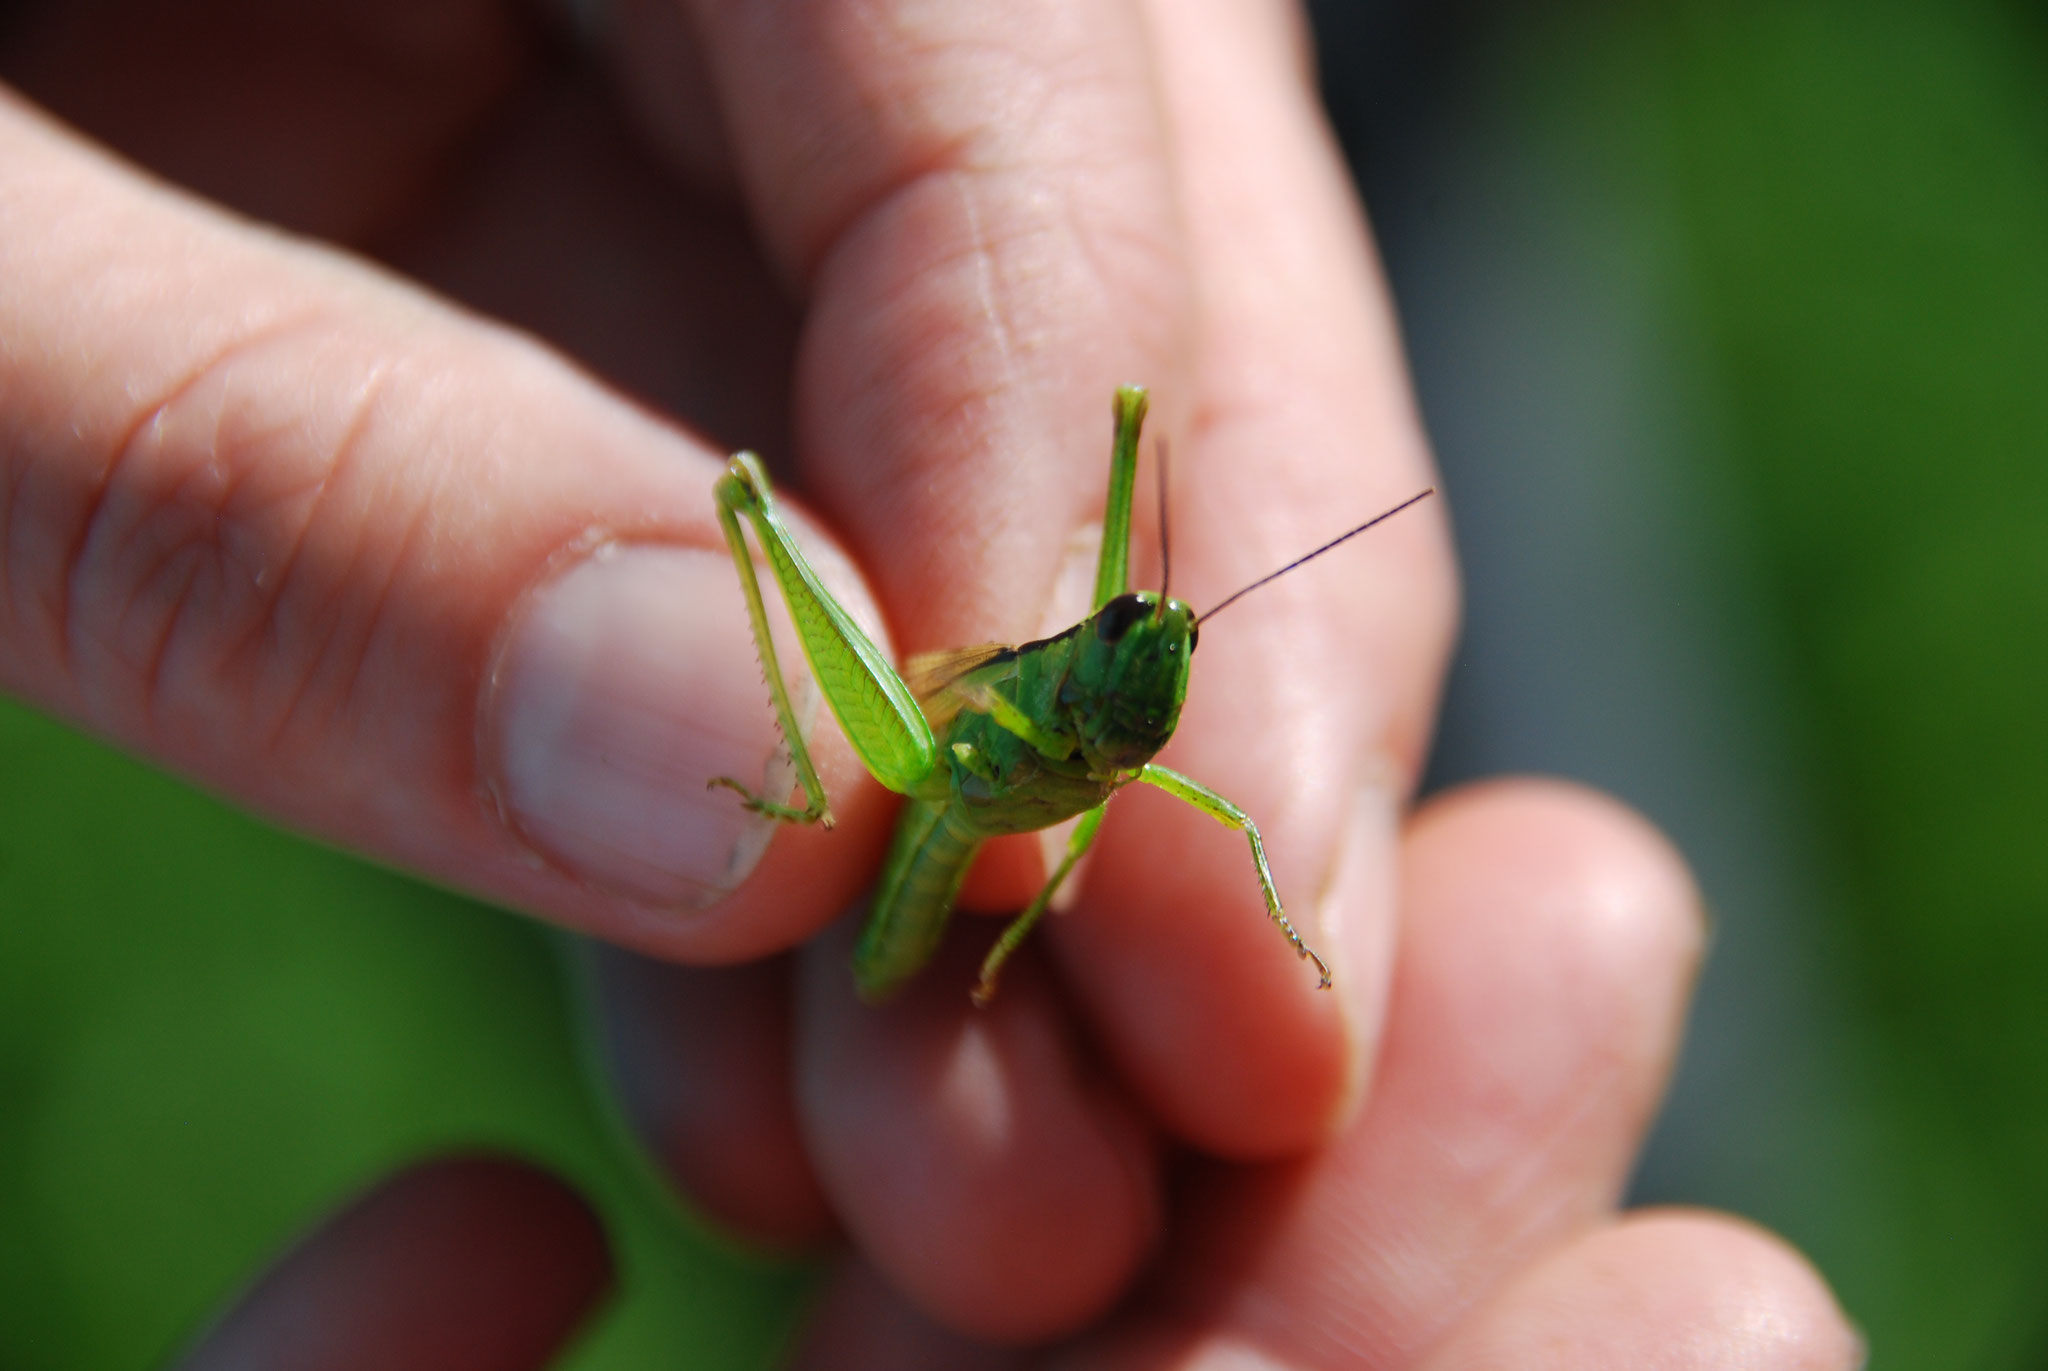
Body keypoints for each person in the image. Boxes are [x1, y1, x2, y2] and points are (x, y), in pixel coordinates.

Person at [0, 0, 1859, 1364]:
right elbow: (1034, 770)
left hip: (970, 871)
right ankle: (760, 786)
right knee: (779, 565)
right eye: (1151, 637)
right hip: (920, 777)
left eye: (1162, 651)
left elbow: (1159, 814)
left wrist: (1228, 911)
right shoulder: (1070, 705)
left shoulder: (1150, 740)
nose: (1163, 658)